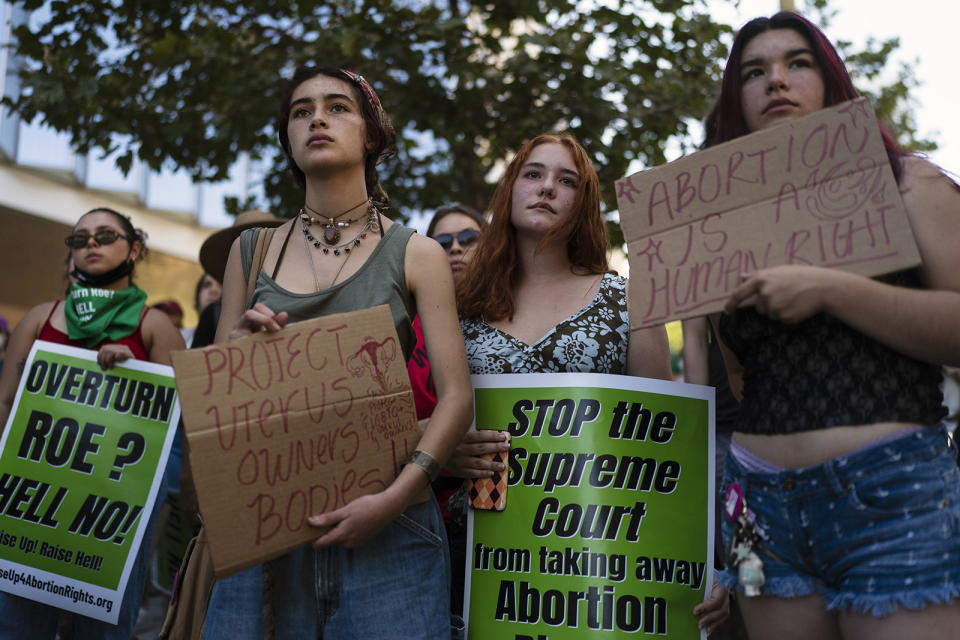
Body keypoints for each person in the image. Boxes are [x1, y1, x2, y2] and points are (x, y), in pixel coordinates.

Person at [707, 12, 960, 640]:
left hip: (892, 493)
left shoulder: (910, 184)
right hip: (754, 514)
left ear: (832, 82)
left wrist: (831, 290)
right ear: (736, 99)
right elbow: (736, 375)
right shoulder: (717, 232)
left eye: (798, 63)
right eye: (754, 72)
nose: (777, 82)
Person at [201, 65, 473, 640]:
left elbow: (456, 398)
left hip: (390, 529)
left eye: (337, 107)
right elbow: (216, 402)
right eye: (301, 112)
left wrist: (396, 497)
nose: (317, 119)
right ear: (289, 140)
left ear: (372, 135)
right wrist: (238, 353)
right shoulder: (251, 252)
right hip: (266, 531)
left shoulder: (417, 253)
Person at [451, 132, 730, 634]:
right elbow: (428, 417)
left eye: (567, 180)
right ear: (511, 187)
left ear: (584, 203)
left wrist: (697, 558)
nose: (546, 188)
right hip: (479, 552)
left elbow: (665, 447)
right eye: (533, 174)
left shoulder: (627, 300)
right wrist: (449, 452)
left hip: (597, 558)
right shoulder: (461, 306)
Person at [0, 207, 185, 639]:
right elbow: (6, 404)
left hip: (112, 520)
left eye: (105, 235)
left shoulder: (154, 325)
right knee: (15, 624)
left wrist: (134, 377)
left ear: (134, 248)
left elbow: (183, 416)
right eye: (80, 239)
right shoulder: (39, 317)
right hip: (30, 508)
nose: (92, 245)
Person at [405, 203, 485, 625]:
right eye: (442, 242)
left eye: (469, 239)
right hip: (419, 516)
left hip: (499, 526)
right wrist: (438, 447)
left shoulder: (516, 322)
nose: (456, 249)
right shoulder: (400, 327)